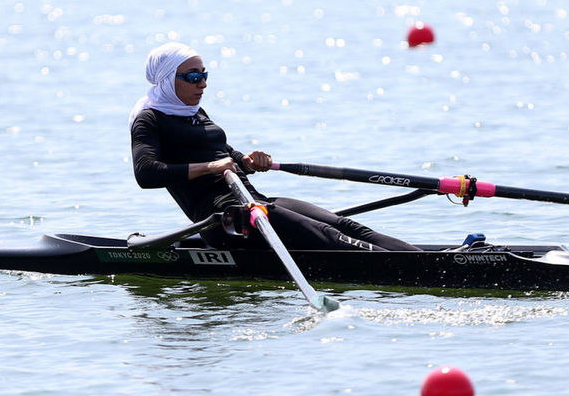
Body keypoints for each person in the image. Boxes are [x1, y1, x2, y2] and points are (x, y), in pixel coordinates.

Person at [130, 41, 420, 252]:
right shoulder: (149, 120)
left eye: (204, 75)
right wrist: (213, 168)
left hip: (254, 201)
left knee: (346, 226)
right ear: (168, 80)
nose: (202, 84)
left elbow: (222, 152)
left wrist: (245, 160)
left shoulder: (193, 112)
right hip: (228, 219)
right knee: (326, 236)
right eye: (193, 77)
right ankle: (409, 268)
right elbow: (147, 173)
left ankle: (426, 259)